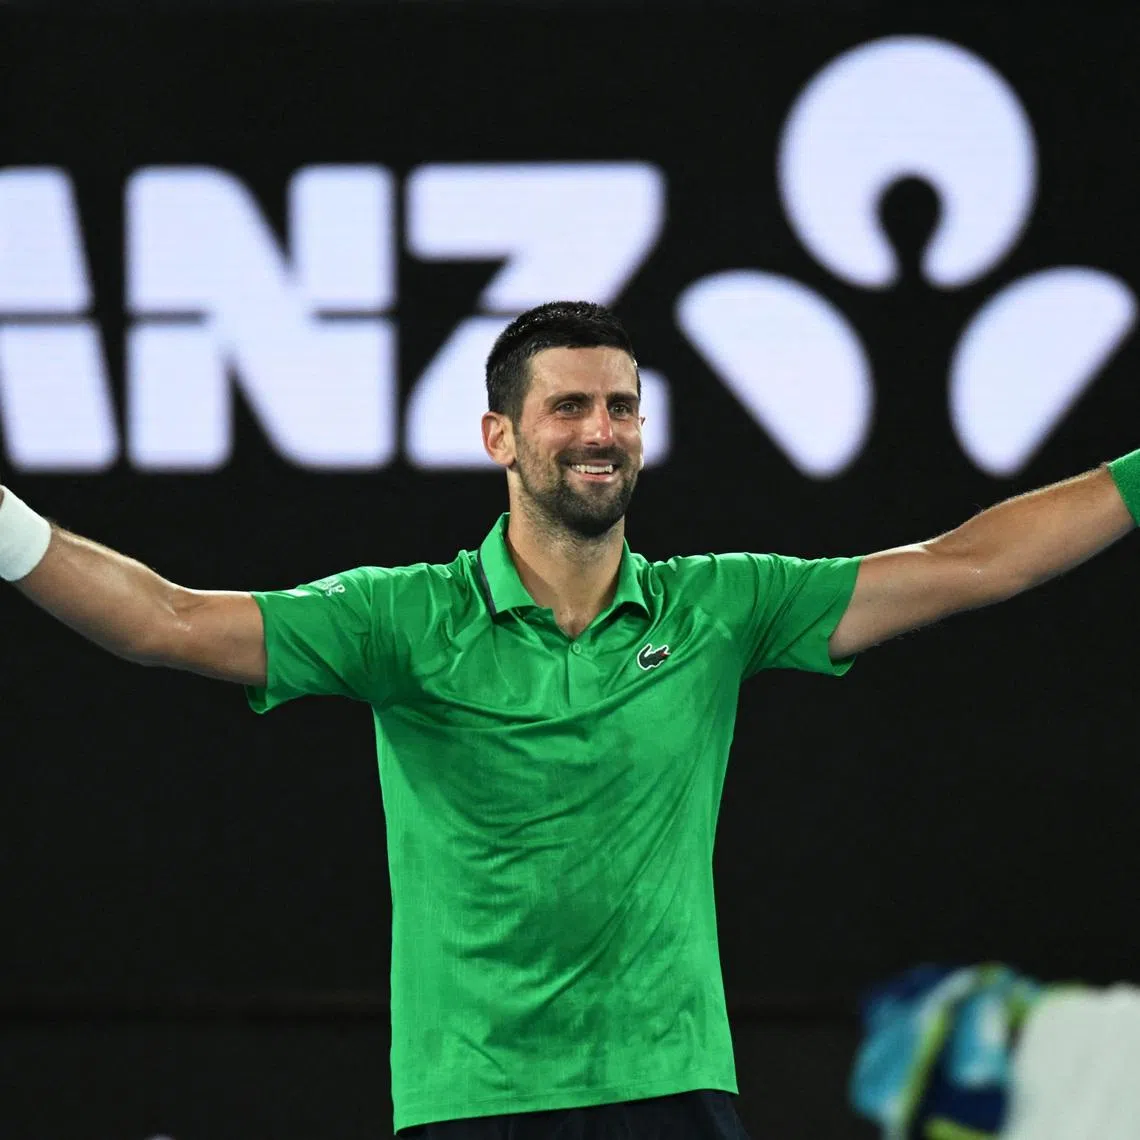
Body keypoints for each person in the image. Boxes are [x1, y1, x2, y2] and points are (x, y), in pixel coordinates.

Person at [1, 300, 1137, 1140]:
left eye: (622, 406)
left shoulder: (719, 607)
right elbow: (161, 621)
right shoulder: (404, 619)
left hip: (673, 1090)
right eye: (569, 408)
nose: (602, 431)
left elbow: (969, 564)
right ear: (501, 436)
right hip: (473, 1100)